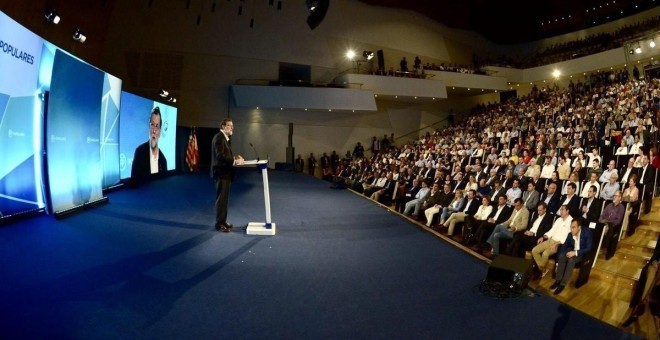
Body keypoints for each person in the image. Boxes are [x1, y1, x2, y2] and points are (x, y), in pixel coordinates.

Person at [211, 118, 244, 232]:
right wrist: (234, 161)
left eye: (232, 126)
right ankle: (219, 224)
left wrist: (235, 158)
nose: (232, 128)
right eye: (230, 126)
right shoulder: (219, 138)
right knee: (221, 199)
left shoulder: (223, 139)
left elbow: (225, 156)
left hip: (225, 173)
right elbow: (220, 156)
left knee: (224, 199)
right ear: (223, 127)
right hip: (221, 173)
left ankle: (223, 221)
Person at [549, 218, 593, 294]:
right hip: (572, 250)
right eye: (571, 227)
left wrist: (575, 253)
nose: (571, 229)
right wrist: (558, 260)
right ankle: (558, 281)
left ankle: (562, 284)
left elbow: (589, 248)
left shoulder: (587, 233)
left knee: (571, 261)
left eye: (574, 227)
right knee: (562, 256)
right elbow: (564, 246)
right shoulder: (570, 234)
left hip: (581, 253)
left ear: (579, 227)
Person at [532, 205, 573, 277]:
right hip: (550, 240)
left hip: (559, 244)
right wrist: (543, 237)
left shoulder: (571, 221)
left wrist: (556, 244)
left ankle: (540, 271)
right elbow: (552, 230)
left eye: (562, 210)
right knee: (534, 250)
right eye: (560, 210)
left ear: (567, 211)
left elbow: (566, 237)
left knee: (545, 253)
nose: (561, 211)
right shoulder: (558, 219)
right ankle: (542, 269)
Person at [131, 107, 168, 184]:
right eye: (152, 125)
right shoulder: (139, 152)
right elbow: (133, 182)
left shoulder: (163, 160)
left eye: (157, 126)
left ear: (160, 132)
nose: (154, 130)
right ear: (149, 127)